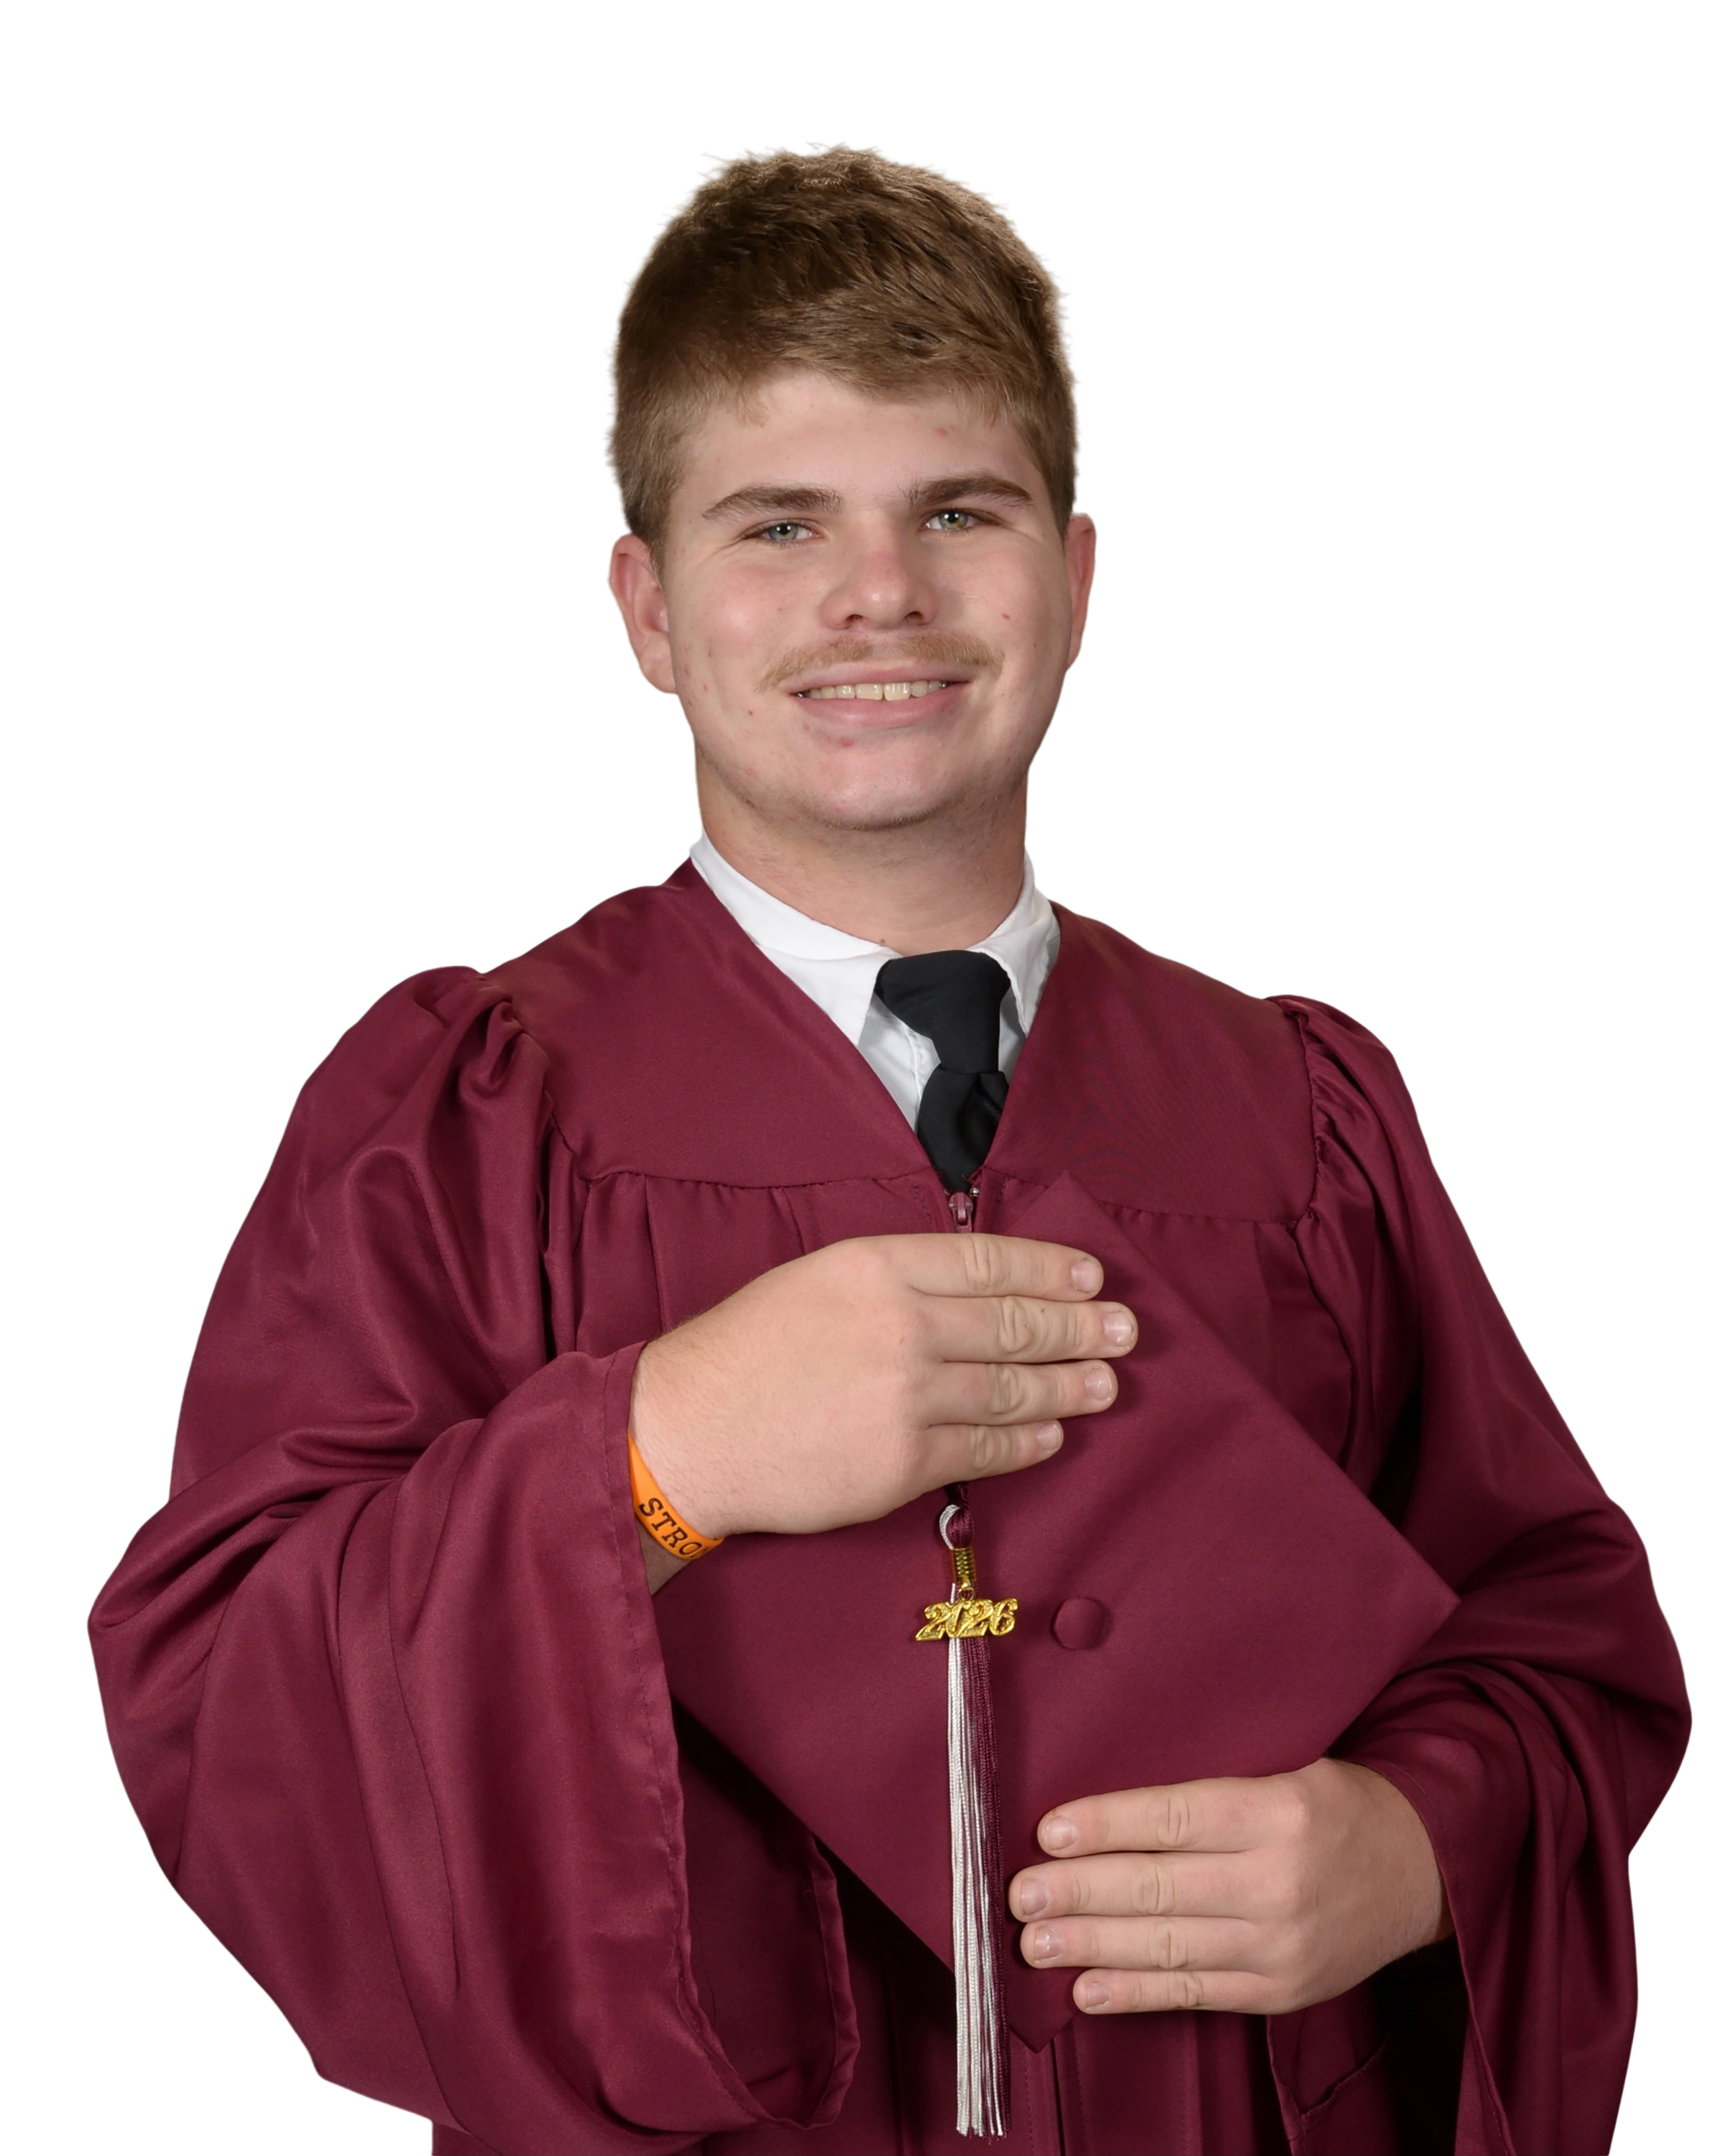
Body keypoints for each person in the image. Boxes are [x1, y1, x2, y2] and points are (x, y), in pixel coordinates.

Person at [86, 139, 1690, 2156]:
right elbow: (226, 1696)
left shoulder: (1300, 1115)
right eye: (779, 522)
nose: (881, 593)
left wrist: (1408, 1838)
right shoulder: (471, 1108)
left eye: (959, 509)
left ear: (1080, 580)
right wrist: (654, 1459)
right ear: (644, 608)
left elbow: (1562, 1638)